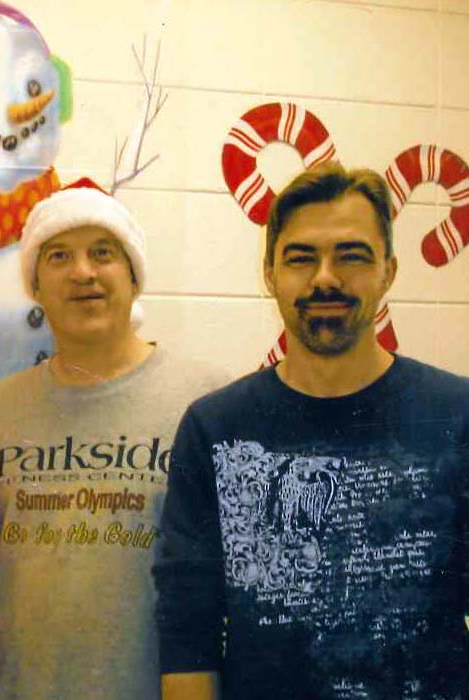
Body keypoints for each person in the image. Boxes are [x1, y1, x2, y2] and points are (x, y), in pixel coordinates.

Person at [154, 161, 469, 700]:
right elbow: (187, 633)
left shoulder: (457, 414)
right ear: (269, 274)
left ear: (388, 272)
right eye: (301, 258)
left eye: (352, 255)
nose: (325, 277)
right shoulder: (216, 429)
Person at [0, 178, 231, 700]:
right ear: (36, 286)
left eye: (102, 252)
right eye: (59, 256)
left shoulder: (205, 401)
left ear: (134, 276)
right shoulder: (1, 406)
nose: (83, 272)